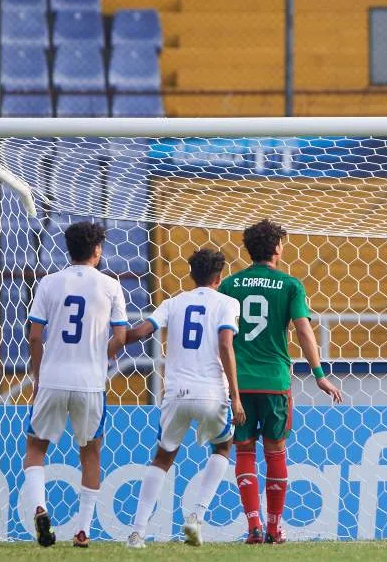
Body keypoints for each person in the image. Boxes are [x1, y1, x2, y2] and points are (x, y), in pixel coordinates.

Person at [219, 219, 344, 544]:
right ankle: (275, 527)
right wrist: (319, 375)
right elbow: (303, 330)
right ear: (276, 248)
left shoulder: (230, 285)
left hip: (239, 384)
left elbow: (221, 337)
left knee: (243, 451)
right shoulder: (290, 285)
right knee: (275, 450)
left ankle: (253, 526)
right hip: (275, 381)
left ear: (249, 249)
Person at [124, 248, 245, 549]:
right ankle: (196, 516)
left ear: (192, 275)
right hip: (211, 392)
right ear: (219, 277)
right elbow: (226, 346)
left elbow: (140, 332)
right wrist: (237, 398)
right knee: (223, 445)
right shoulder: (228, 303)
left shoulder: (173, 303)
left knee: (163, 457)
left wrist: (111, 338)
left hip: (175, 392)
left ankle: (137, 533)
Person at [23, 221, 128, 548]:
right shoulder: (110, 285)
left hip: (53, 378)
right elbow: (121, 337)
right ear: (97, 250)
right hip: (90, 381)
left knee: (36, 448)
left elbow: (35, 335)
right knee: (91, 453)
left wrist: (39, 377)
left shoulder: (48, 283)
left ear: (69, 250)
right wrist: (101, 354)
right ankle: (82, 530)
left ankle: (40, 508)